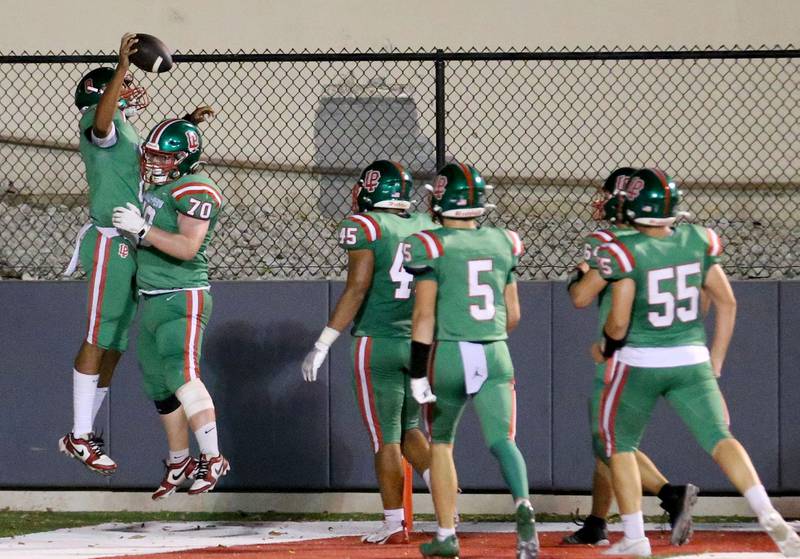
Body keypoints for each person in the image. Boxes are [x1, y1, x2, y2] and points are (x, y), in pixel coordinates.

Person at [596, 168, 800, 557]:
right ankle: (767, 512)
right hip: (691, 358)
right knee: (721, 438)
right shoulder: (698, 239)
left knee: (618, 445)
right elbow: (725, 301)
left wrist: (607, 341)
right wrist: (714, 363)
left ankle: (635, 536)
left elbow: (619, 321)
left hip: (638, 360)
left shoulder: (625, 249)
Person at [59, 33, 213, 476]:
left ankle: (84, 431)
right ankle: (79, 434)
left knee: (115, 341)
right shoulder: (98, 117)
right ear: (102, 92)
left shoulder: (125, 126)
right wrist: (121, 67)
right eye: (120, 86)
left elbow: (137, 163)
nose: (129, 90)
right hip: (111, 238)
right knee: (98, 333)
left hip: (131, 241)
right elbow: (101, 125)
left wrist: (188, 121)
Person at [404, 163, 537, 559]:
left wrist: (416, 371)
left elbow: (424, 316)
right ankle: (524, 506)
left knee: (442, 444)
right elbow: (513, 314)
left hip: (450, 352)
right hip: (496, 350)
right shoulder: (503, 241)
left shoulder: (430, 244)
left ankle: (446, 535)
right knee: (504, 441)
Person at [564, 168, 697, 546]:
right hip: (663, 348)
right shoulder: (662, 239)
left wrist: (575, 277)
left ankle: (670, 494)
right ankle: (596, 521)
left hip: (619, 352)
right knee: (610, 443)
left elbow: (580, 296)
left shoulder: (607, 241)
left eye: (605, 194)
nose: (598, 200)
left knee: (609, 443)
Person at [302, 161, 433, 544]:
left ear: (371, 190)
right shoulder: (423, 224)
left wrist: (323, 341)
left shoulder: (365, 226)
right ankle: (448, 508)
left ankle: (394, 524)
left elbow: (357, 287)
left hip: (377, 342)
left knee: (385, 439)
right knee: (412, 431)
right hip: (419, 342)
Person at [112, 118, 228, 497]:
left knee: (183, 375)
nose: (156, 163)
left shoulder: (197, 189)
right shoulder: (161, 184)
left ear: (185, 158)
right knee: (158, 386)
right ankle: (180, 460)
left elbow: (187, 247)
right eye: (154, 155)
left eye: (165, 157)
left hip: (183, 293)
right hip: (153, 297)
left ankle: (212, 458)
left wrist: (143, 232)